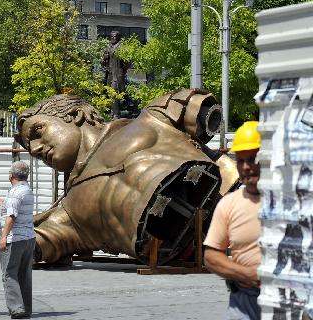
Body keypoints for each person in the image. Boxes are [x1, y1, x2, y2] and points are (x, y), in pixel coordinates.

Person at [15, 90, 240, 264]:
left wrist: (195, 110)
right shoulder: (69, 210)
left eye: (38, 132)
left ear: (75, 114)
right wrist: (26, 247)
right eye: (29, 147)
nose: (35, 149)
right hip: (177, 247)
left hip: (231, 201)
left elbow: (197, 109)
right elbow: (49, 238)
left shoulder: (150, 120)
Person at [204, 121, 262, 320]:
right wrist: (246, 274)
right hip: (244, 303)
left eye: (253, 159)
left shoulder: (298, 201)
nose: (245, 167)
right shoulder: (229, 204)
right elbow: (211, 256)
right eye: (240, 160)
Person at [0, 161, 35, 319]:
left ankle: (16, 308)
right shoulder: (26, 190)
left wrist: (4, 236)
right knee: (24, 274)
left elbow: (11, 216)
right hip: (29, 238)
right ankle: (25, 308)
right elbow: (12, 206)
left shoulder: (15, 192)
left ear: (11, 175)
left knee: (9, 274)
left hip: (15, 239)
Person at [102, 30, 129, 118]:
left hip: (117, 74)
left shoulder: (121, 48)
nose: (113, 38)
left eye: (115, 36)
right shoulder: (108, 47)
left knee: (114, 93)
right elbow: (103, 63)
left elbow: (128, 62)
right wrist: (104, 58)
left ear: (118, 38)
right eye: (112, 36)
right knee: (110, 93)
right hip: (109, 74)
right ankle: (112, 112)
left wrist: (122, 71)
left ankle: (116, 114)